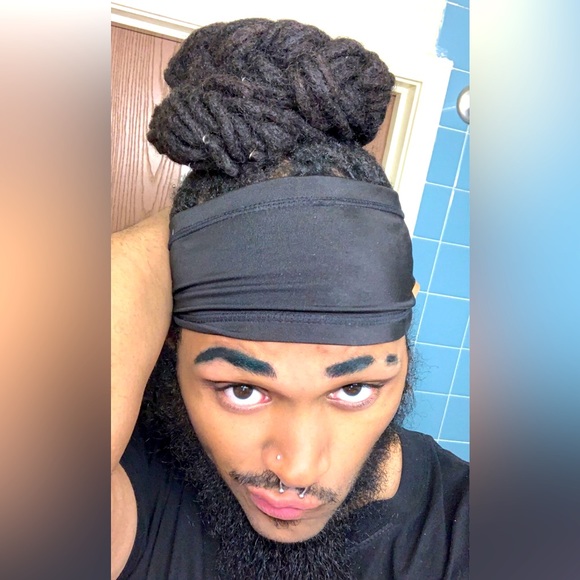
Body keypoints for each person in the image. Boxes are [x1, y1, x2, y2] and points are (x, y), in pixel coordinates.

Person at [111, 18, 469, 580]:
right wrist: (185, 227)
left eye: (354, 388)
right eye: (242, 390)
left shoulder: (467, 526)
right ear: (172, 338)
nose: (298, 470)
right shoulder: (130, 499)